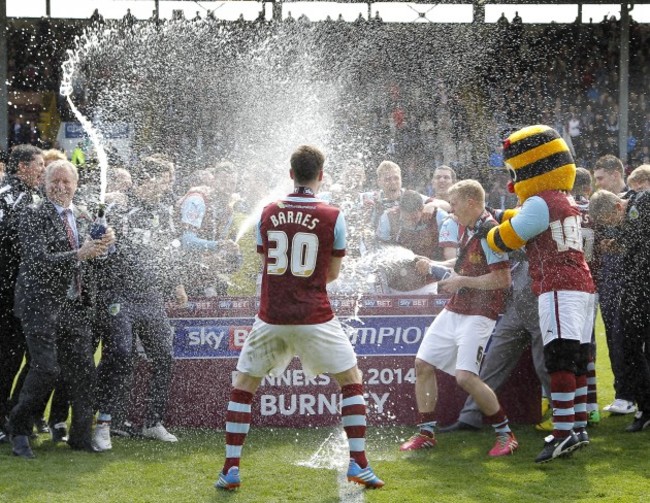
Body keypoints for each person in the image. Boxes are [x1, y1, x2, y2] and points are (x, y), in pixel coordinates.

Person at [214, 145, 384, 490]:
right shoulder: (333, 215)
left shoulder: (267, 212)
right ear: (321, 175)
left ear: (290, 174)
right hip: (315, 316)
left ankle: (231, 468)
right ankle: (359, 463)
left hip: (272, 315)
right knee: (350, 380)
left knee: (244, 386)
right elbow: (331, 274)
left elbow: (268, 265)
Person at [482, 125, 596, 463]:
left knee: (559, 359)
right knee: (576, 360)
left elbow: (509, 238)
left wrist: (488, 231)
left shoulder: (540, 200)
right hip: (582, 285)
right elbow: (526, 218)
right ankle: (576, 426)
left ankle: (562, 433)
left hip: (559, 285)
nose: (511, 180)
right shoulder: (564, 198)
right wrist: (500, 214)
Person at [399, 180, 517, 458]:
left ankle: (505, 434)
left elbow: (502, 279)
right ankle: (426, 433)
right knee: (422, 364)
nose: (451, 212)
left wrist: (461, 280)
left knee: (465, 378)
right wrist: (434, 265)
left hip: (480, 313)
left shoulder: (490, 231)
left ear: (471, 202)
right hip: (456, 309)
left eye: (454, 205)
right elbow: (464, 264)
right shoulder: (472, 228)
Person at [8, 160, 115, 458]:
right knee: (46, 368)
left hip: (74, 306)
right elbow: (37, 260)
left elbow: (97, 257)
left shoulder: (82, 216)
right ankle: (18, 430)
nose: (61, 186)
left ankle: (80, 438)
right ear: (44, 183)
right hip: (38, 304)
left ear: (76, 185)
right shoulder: (33, 215)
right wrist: (78, 253)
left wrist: (107, 243)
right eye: (55, 180)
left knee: (84, 371)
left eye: (67, 182)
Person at [93, 155, 186, 450]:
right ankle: (104, 423)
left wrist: (177, 284)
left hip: (150, 294)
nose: (167, 186)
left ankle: (152, 422)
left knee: (164, 356)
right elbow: (99, 247)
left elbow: (169, 253)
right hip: (119, 293)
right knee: (120, 353)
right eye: (165, 179)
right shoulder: (119, 207)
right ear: (148, 179)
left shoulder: (165, 211)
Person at [437, 258, 551, 434]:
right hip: (516, 310)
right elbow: (472, 259)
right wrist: (439, 263)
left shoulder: (511, 233)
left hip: (540, 306)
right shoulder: (492, 235)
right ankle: (470, 417)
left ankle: (566, 418)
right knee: (493, 362)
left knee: (545, 366)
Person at [589, 189, 650, 432]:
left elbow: (637, 233)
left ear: (617, 207)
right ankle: (646, 407)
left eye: (610, 221)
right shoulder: (631, 212)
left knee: (632, 347)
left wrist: (619, 242)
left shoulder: (642, 202)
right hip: (635, 291)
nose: (611, 226)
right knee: (627, 346)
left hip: (642, 291)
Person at [0, 145, 44, 444]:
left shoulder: (36, 198)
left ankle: (17, 412)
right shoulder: (6, 195)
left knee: (31, 357)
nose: (43, 170)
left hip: (26, 292)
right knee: (7, 357)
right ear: (22, 167)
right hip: (5, 292)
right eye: (39, 165)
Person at [592, 155, 635, 416]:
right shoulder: (600, 208)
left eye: (601, 178)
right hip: (609, 279)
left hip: (632, 280)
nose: (598, 185)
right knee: (614, 337)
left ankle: (634, 395)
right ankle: (624, 394)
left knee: (633, 339)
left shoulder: (636, 204)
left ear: (616, 175)